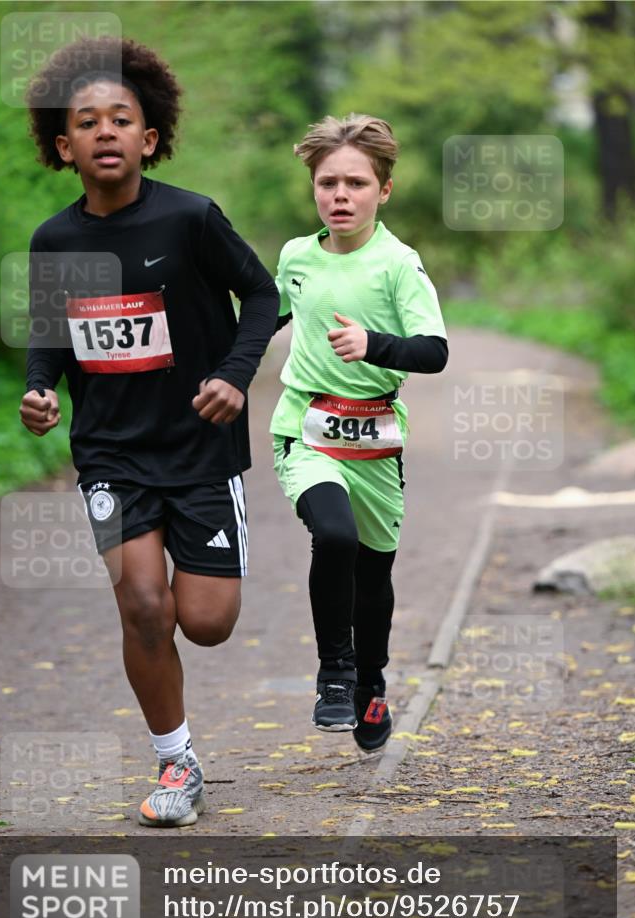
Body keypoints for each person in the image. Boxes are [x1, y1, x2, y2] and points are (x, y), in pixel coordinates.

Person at [18, 36, 279, 825]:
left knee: (204, 622)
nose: (105, 131)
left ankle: (183, 736)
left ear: (148, 137)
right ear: (64, 145)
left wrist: (233, 377)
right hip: (111, 453)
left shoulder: (190, 218)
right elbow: (50, 334)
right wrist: (39, 389)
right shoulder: (56, 241)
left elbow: (263, 299)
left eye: (120, 119)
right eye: (87, 122)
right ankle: (176, 765)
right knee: (141, 604)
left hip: (199, 449)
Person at [271, 114, 448, 753]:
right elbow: (266, 316)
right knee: (335, 535)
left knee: (374, 576)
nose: (339, 195)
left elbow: (434, 352)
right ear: (313, 188)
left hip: (374, 436)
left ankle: (372, 681)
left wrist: (374, 345)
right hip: (304, 425)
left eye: (355, 183)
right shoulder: (295, 255)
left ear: (384, 191)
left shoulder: (398, 264)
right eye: (327, 183)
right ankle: (335, 674)